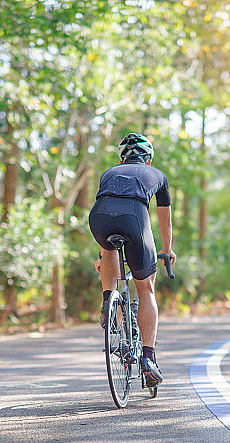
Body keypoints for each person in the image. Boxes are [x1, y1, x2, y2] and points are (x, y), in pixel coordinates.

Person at [88, 133, 176, 387]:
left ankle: (108, 300)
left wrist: (101, 256)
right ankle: (148, 358)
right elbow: (164, 220)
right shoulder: (158, 175)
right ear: (148, 160)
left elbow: (108, 208)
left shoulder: (109, 173)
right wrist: (167, 249)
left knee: (109, 250)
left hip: (99, 219)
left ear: (122, 158)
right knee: (146, 288)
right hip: (134, 218)